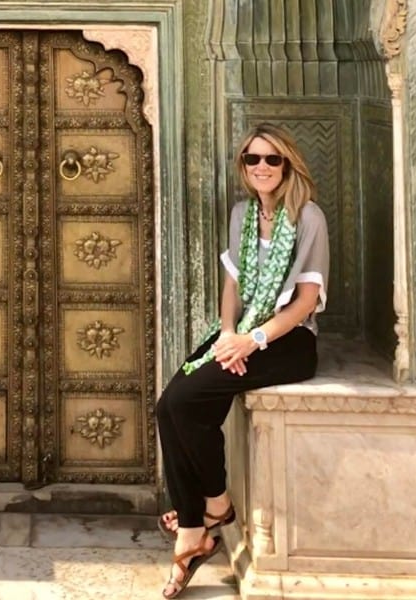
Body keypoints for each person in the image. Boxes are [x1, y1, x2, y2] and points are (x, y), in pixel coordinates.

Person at [155, 123, 329, 598]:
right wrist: (227, 333)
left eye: (272, 160)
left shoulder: (308, 217)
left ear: (288, 165)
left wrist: (252, 341)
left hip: (287, 340)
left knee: (188, 401)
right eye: (253, 159)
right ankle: (213, 509)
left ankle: (198, 525)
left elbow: (306, 302)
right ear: (244, 167)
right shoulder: (242, 215)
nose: (262, 168)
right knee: (171, 405)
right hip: (243, 330)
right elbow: (231, 286)